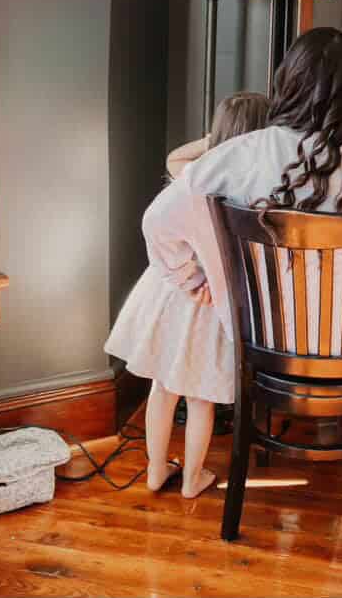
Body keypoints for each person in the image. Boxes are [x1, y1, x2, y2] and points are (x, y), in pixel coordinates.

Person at [105, 91, 270, 498]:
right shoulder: (257, 185)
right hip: (214, 299)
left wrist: (214, 139)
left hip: (175, 292)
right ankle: (192, 479)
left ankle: (156, 469)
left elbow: (173, 160)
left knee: (163, 389)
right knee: (199, 398)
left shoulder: (198, 174)